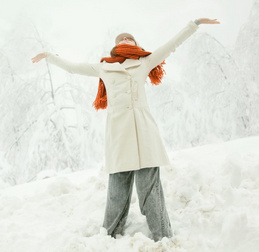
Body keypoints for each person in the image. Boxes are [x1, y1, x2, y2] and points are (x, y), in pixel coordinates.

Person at [31, 18, 220, 241]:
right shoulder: (104, 66)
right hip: (119, 134)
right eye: (122, 38)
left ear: (135, 43)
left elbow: (171, 46)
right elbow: (74, 69)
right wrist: (50, 57)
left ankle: (163, 236)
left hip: (143, 133)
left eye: (129, 37)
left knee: (149, 189)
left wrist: (194, 24)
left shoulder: (144, 62)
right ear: (115, 45)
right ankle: (108, 238)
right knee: (117, 191)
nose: (125, 39)